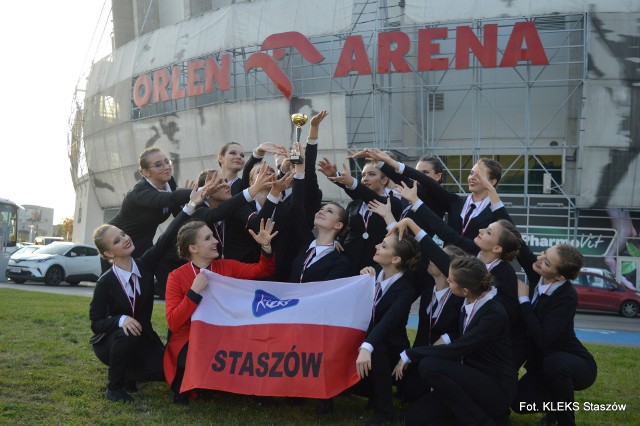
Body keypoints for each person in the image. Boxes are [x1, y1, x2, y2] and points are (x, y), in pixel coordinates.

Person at [90, 180, 211, 403]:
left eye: (123, 234)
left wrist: (190, 206)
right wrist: (120, 320)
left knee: (167, 371)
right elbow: (96, 323)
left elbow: (166, 238)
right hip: (111, 342)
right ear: (108, 254)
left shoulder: (144, 265)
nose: (125, 239)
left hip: (143, 339)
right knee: (125, 333)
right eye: (117, 241)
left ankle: (128, 373)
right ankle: (114, 387)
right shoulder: (105, 282)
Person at [164, 218, 277, 403]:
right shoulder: (176, 277)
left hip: (225, 335)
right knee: (198, 357)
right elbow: (174, 322)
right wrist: (193, 292)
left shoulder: (226, 266)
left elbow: (262, 270)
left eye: (213, 236)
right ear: (193, 248)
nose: (216, 241)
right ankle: (189, 384)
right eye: (208, 238)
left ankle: (252, 390)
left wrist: (266, 247)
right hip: (190, 338)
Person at [395, 256, 517, 425]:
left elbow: (459, 348)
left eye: (451, 281)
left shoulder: (494, 314)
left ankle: (480, 420)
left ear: (465, 290)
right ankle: (487, 417)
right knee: (413, 419)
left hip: (495, 386)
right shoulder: (470, 298)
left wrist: (410, 353)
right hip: (467, 380)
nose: (447, 281)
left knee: (429, 365)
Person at [512, 243, 597, 426]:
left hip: (576, 365)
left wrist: (524, 301)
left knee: (554, 363)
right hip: (544, 365)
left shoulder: (566, 296)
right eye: (543, 253)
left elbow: (543, 337)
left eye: (547, 262)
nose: (540, 259)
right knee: (520, 404)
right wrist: (494, 216)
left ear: (559, 276)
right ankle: (554, 410)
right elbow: (516, 242)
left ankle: (565, 421)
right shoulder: (539, 271)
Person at [352, 231, 421, 425]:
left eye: (383, 246)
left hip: (390, 351)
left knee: (378, 347)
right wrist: (361, 280)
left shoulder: (406, 288)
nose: (376, 247)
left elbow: (388, 321)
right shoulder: (372, 273)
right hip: (367, 343)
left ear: (396, 259)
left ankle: (385, 413)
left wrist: (367, 346)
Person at [318, 158, 403, 275]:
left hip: (373, 266)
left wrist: (349, 181)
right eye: (363, 175)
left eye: (371, 174)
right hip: (348, 262)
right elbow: (345, 230)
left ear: (384, 180)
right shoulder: (355, 204)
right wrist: (336, 241)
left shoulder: (391, 202)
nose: (365, 178)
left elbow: (371, 197)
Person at [108, 147, 192, 258]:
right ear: (146, 172)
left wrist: (191, 203)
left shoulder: (169, 181)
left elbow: (178, 212)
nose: (167, 167)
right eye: (158, 165)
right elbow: (169, 199)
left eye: (167, 162)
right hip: (117, 244)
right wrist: (201, 191)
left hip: (145, 244)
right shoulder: (139, 191)